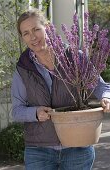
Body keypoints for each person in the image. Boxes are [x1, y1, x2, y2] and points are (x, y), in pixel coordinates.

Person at [11, 8, 110, 170]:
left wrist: (106, 97)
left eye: (36, 29)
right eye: (26, 33)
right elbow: (16, 110)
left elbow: (102, 87)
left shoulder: (75, 57)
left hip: (77, 146)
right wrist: (35, 113)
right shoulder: (23, 69)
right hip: (39, 150)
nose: (33, 37)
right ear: (23, 38)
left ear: (47, 28)